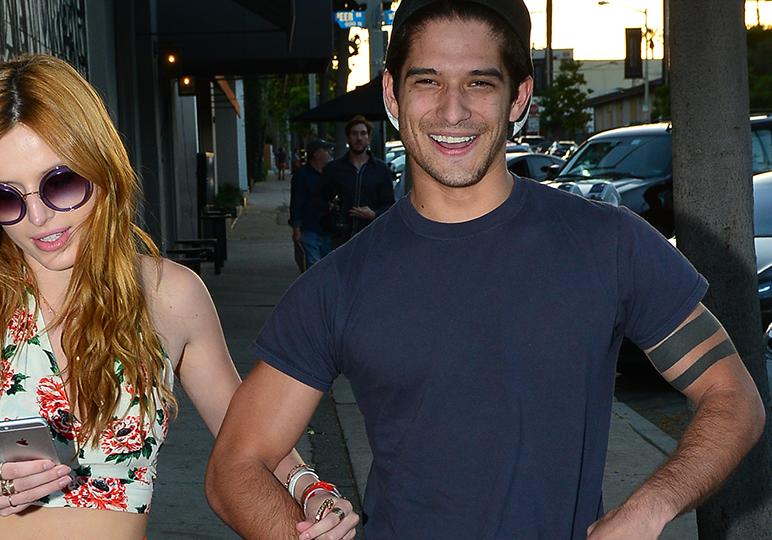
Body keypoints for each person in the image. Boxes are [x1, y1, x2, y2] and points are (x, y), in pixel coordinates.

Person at [206, 1, 764, 539]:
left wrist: (650, 507)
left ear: (518, 96)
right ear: (391, 95)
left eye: (479, 81)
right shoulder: (338, 286)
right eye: (427, 81)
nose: (453, 111)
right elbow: (236, 466)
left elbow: (734, 398)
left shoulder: (608, 244)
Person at [0, 54, 358, 540]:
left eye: (61, 183)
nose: (38, 218)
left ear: (102, 167)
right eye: (6, 196)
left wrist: (311, 490)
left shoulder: (170, 295)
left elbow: (252, 438)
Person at [319, 115, 395, 248]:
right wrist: (329, 207)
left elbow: (389, 204)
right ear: (347, 138)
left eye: (363, 134)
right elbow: (318, 199)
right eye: (354, 134)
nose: (359, 138)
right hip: (340, 239)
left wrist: (374, 214)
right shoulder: (333, 169)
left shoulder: (381, 169)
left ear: (369, 138)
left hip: (372, 238)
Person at [290, 139, 335, 271]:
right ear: (316, 154)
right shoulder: (302, 176)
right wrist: (296, 229)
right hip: (309, 228)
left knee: (327, 267)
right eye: (325, 151)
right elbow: (296, 202)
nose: (329, 153)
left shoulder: (329, 174)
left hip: (327, 229)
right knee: (314, 268)